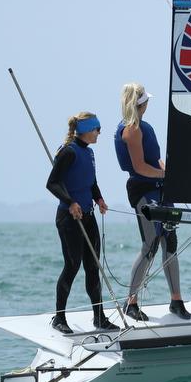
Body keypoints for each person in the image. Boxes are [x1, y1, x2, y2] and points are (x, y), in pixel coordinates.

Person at [115, 83, 190, 321]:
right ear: (139, 104)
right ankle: (131, 302)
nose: (148, 104)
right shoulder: (132, 130)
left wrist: (171, 176)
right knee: (150, 245)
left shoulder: (145, 127)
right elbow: (139, 168)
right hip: (143, 190)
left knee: (170, 241)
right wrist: (164, 176)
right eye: (146, 101)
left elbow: (155, 161)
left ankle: (176, 300)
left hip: (160, 189)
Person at [46, 112, 119, 334]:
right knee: (72, 266)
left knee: (92, 267)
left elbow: (91, 182)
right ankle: (59, 318)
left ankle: (99, 317)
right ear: (87, 129)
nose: (99, 133)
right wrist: (70, 202)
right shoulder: (68, 152)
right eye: (97, 129)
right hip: (70, 219)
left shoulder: (89, 153)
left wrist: (99, 198)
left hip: (88, 216)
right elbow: (52, 183)